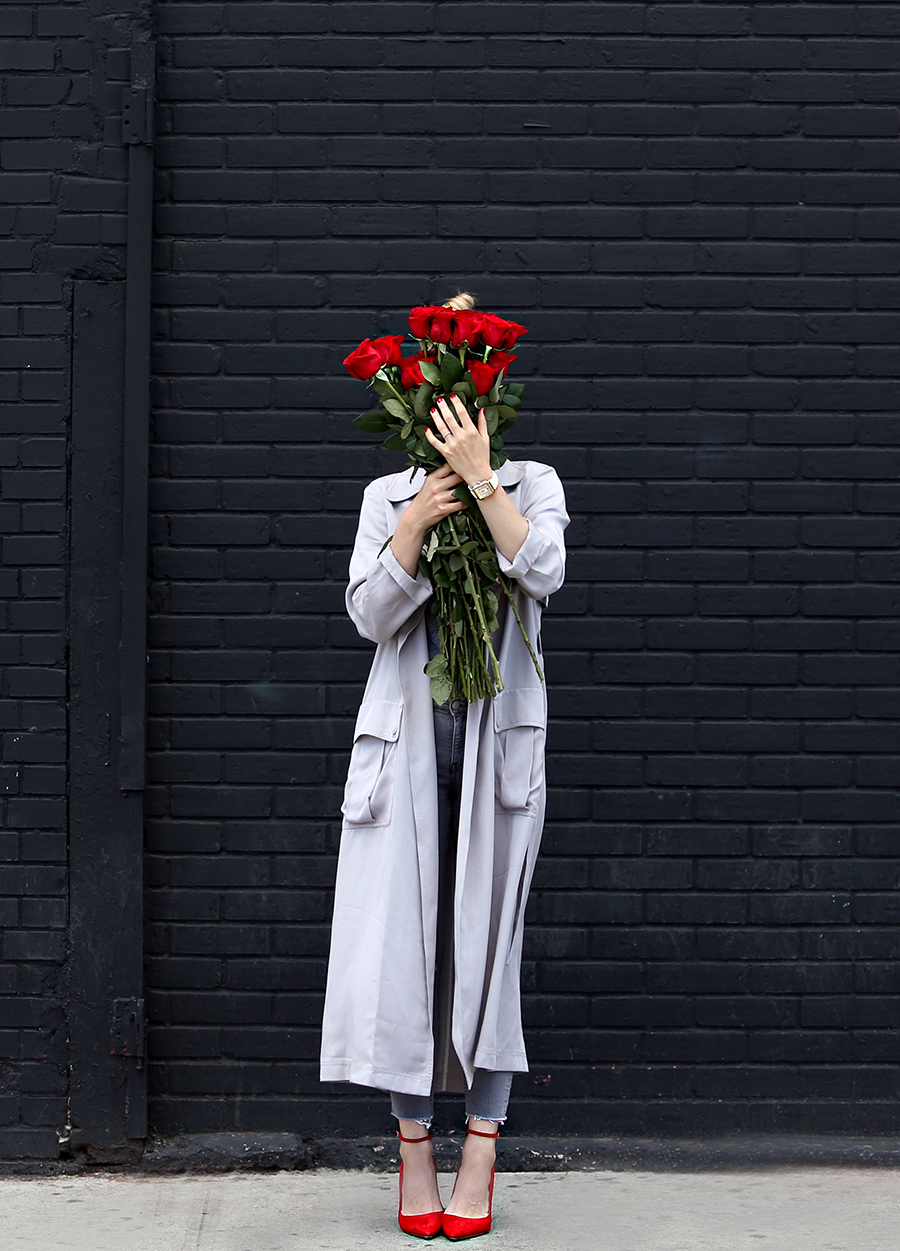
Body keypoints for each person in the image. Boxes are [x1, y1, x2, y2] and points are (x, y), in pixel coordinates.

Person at [319, 292, 569, 1239]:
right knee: (404, 958)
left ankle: (483, 1150)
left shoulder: (532, 481)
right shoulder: (387, 496)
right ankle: (414, 1149)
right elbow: (370, 617)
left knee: (487, 952)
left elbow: (540, 569)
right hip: (407, 758)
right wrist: (419, 518)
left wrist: (481, 483)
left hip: (498, 757)